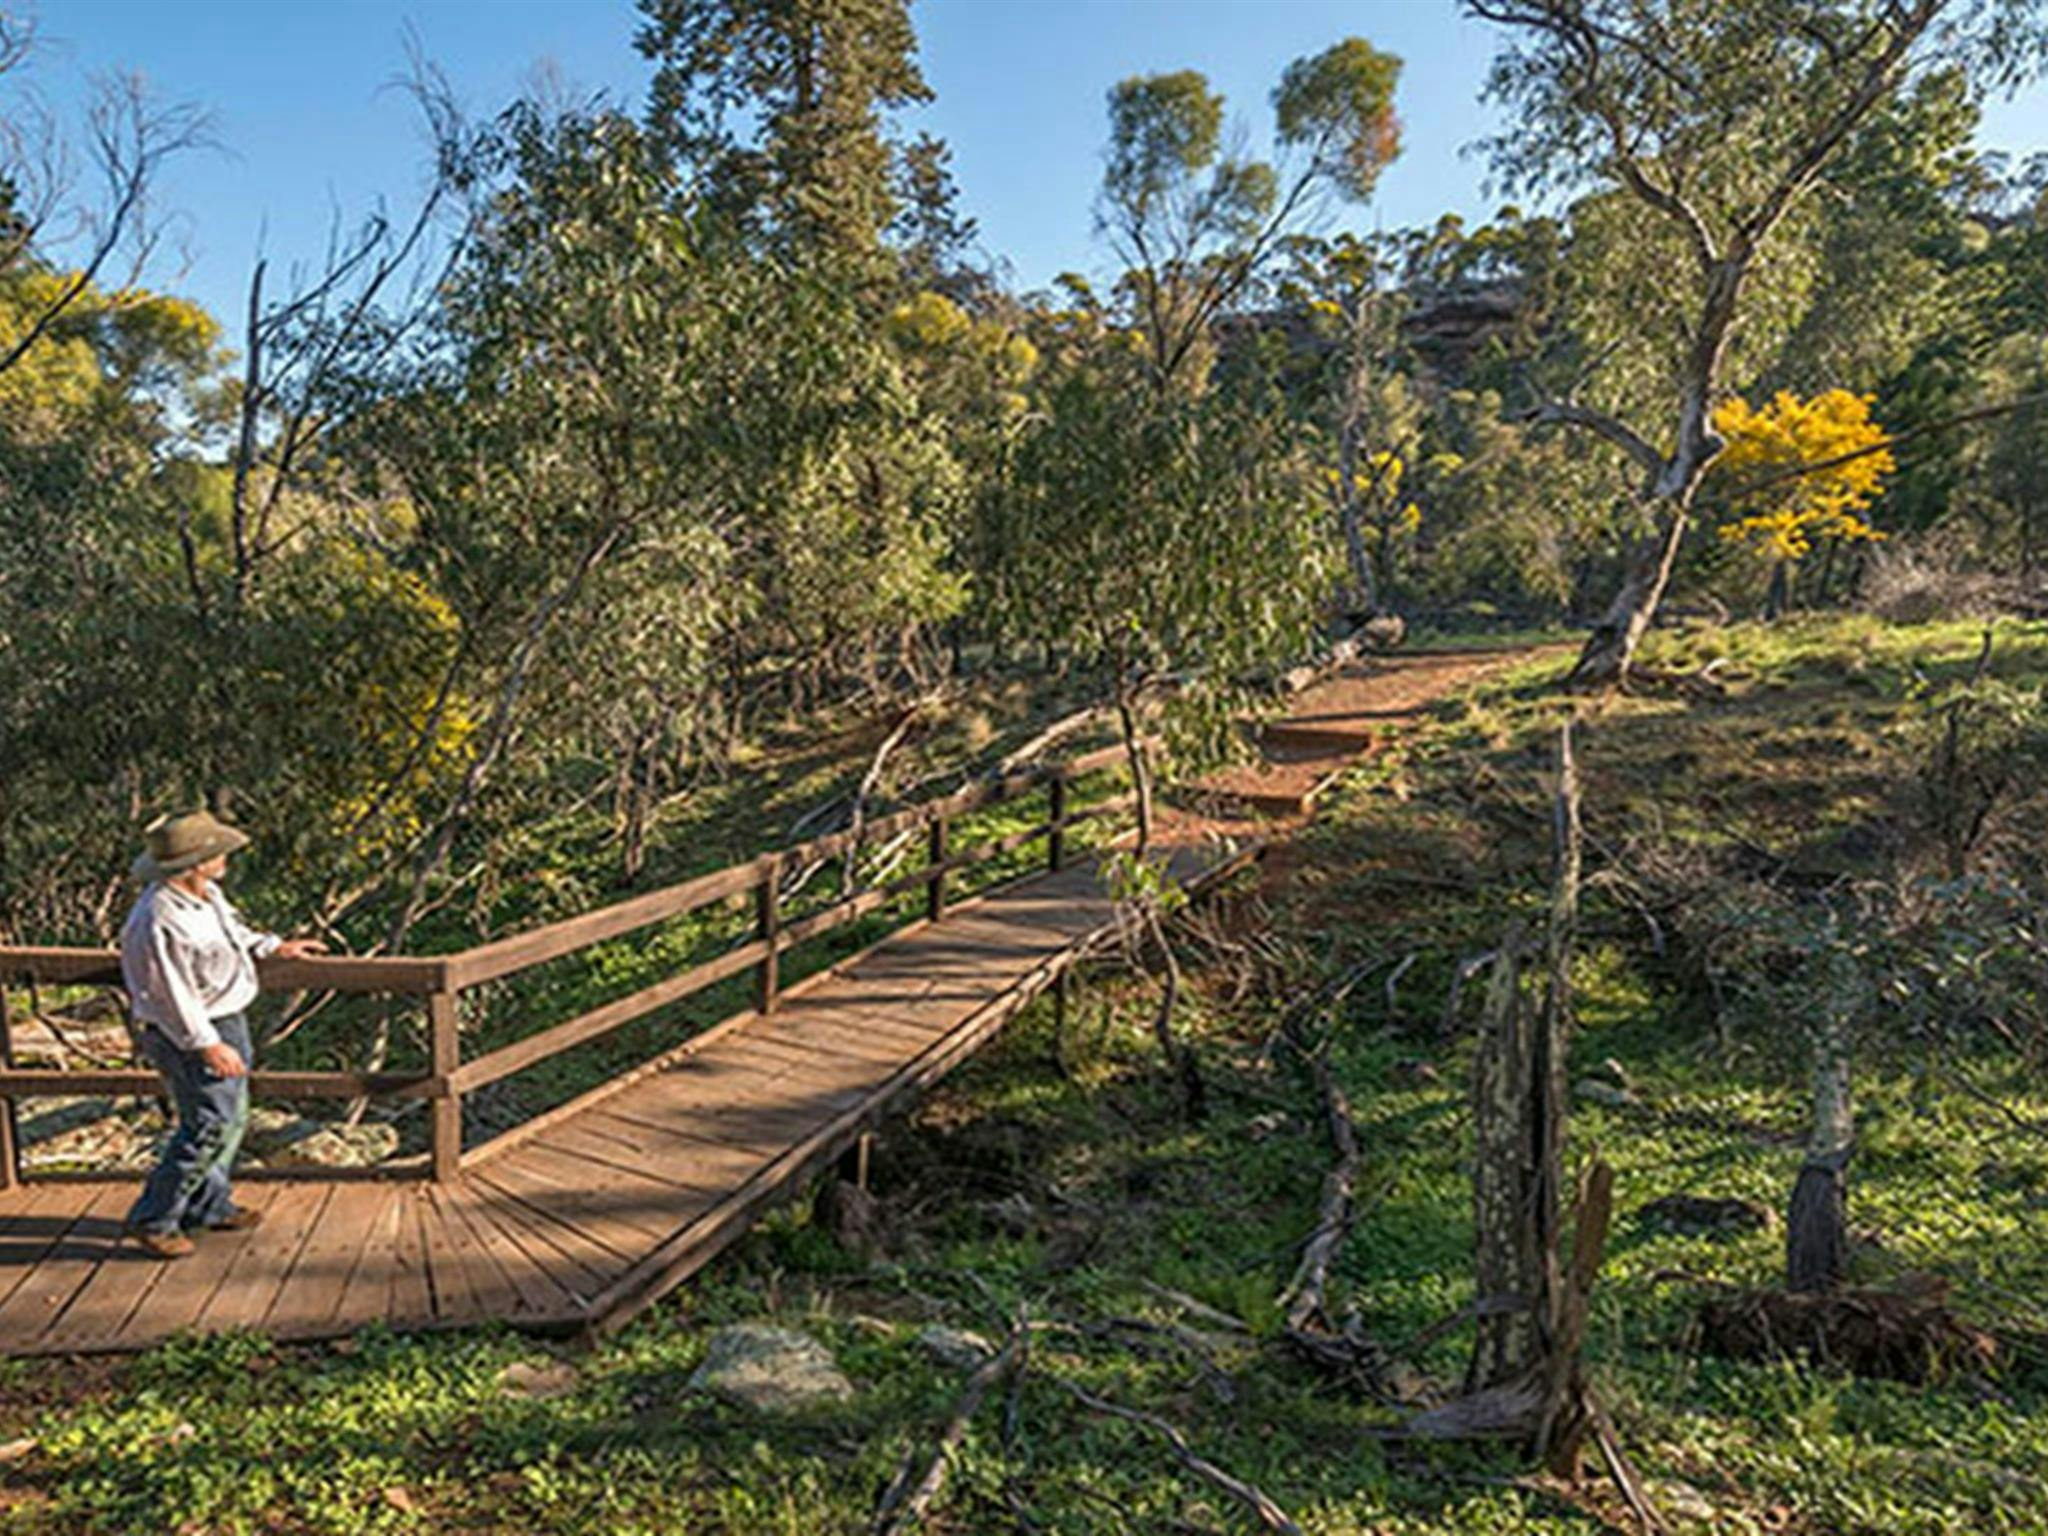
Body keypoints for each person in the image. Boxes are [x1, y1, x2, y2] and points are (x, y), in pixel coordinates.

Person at [120, 809, 327, 1258]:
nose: (225, 858)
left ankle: (209, 1206)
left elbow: (233, 933)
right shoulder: (157, 919)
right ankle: (153, 1218)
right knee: (207, 1125)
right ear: (195, 863)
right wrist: (207, 1044)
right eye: (217, 852)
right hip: (191, 1032)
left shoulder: (206, 895)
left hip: (227, 1019)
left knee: (231, 1120)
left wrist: (273, 946)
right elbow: (168, 995)